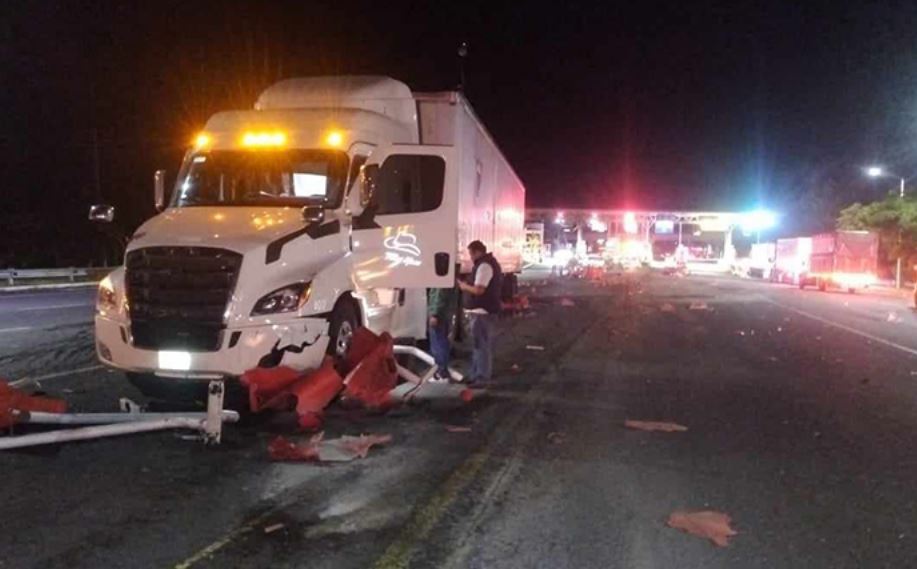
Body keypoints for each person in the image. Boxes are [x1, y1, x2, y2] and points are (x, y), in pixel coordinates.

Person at [458, 240, 503, 386]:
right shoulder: (486, 264)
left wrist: (464, 286)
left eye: (471, 253)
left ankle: (481, 377)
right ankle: (475, 374)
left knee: (481, 345)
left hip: (482, 311)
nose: (470, 257)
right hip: (482, 311)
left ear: (477, 252)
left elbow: (479, 290)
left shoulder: (484, 266)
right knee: (478, 345)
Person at [427, 284, 457, 381]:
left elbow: (439, 297)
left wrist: (434, 314)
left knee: (438, 344)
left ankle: (441, 372)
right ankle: (443, 371)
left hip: (439, 315)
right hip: (446, 314)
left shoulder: (440, 281)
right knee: (443, 343)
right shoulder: (449, 278)